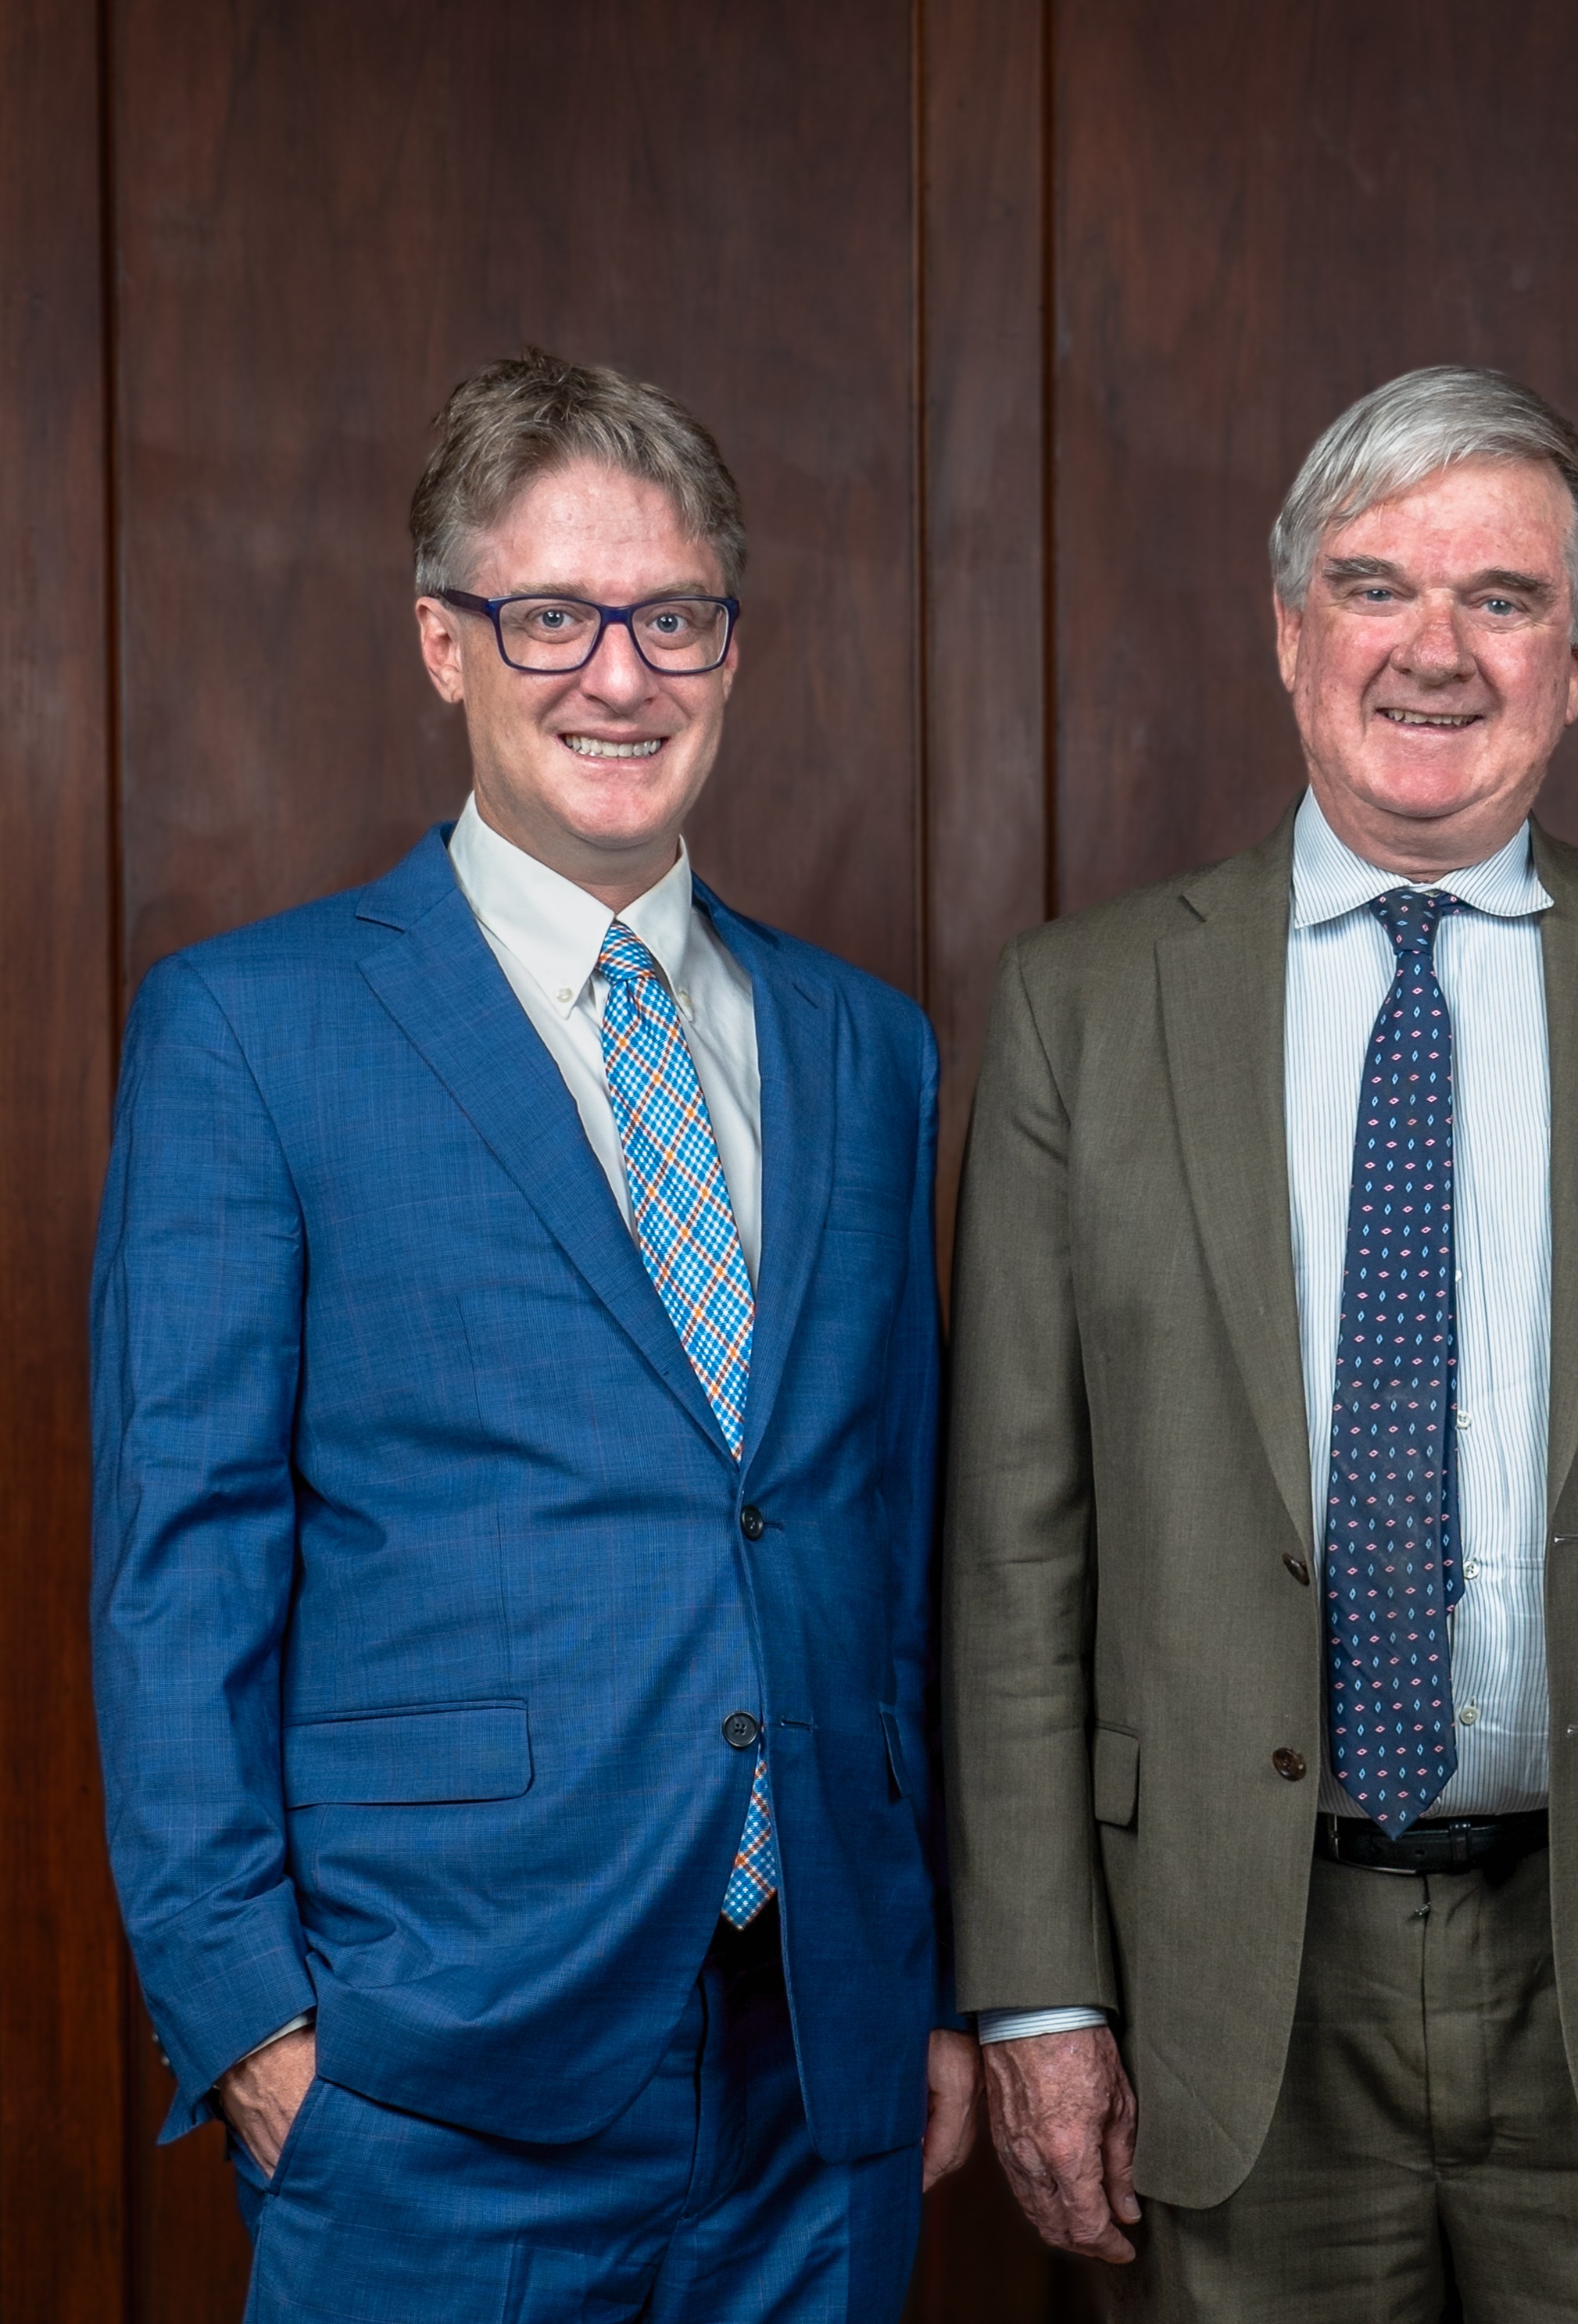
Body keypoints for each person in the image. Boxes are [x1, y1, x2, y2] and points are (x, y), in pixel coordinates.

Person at [945, 364, 1578, 2319]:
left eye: (1502, 598)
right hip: (1226, 1978)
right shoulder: (1081, 1011)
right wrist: (1041, 1991)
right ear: (1288, 628)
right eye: (1375, 586)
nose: (1434, 650)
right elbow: (1011, 1560)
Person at [91, 351, 975, 2322]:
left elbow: (887, 1543)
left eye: (672, 617)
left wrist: (916, 1974)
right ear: (443, 642)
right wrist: (251, 2025)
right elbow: (182, 1565)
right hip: (430, 2069)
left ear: (728, 648)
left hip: (811, 2070)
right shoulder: (255, 1031)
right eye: (551, 615)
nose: (618, 676)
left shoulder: (864, 1046)